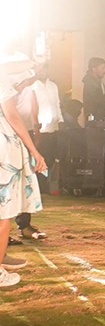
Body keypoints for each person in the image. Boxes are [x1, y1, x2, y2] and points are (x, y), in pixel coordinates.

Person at [0, 56, 47, 288]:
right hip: (3, 148)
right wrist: (35, 151)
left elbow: (7, 66)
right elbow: (13, 116)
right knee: (4, 211)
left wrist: (31, 63)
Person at [14, 63, 61, 241]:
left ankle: (24, 225)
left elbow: (34, 114)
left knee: (25, 179)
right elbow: (12, 116)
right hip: (7, 136)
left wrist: (34, 142)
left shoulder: (31, 89)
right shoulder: (6, 88)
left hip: (24, 135)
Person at [81, 57, 105, 123]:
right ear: (94, 69)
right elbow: (99, 102)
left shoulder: (98, 82)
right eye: (102, 68)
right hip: (95, 121)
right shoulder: (90, 84)